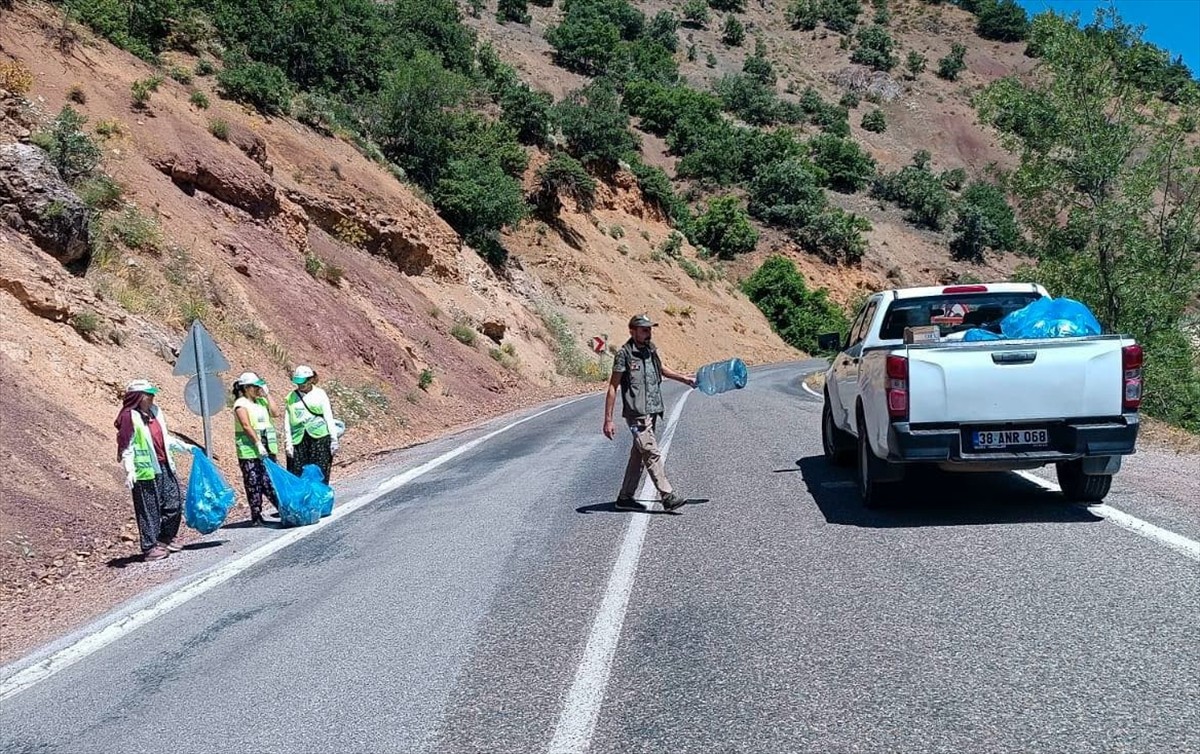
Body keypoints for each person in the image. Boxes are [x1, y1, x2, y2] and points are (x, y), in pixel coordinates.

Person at [603, 314, 695, 512]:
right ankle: (667, 495)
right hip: (636, 413)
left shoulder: (650, 350)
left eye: (649, 329)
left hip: (652, 411)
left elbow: (661, 369)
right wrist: (608, 420)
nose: (648, 333)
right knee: (651, 452)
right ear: (632, 331)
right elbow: (613, 386)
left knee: (639, 454)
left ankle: (625, 498)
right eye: (644, 330)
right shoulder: (624, 354)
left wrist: (684, 379)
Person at [114, 379, 195, 561]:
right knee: (148, 509)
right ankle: (150, 547)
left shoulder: (156, 412)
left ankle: (165, 538)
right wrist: (129, 470)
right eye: (149, 394)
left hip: (163, 465)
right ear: (139, 397)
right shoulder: (129, 417)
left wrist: (186, 447)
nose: (152, 397)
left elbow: (165, 439)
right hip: (144, 471)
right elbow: (126, 445)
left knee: (174, 503)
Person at [231, 371, 280, 525]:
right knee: (253, 481)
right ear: (246, 388)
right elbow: (246, 425)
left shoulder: (261, 402)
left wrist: (268, 395)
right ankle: (256, 515)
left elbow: (275, 412)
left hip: (267, 447)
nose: (257, 389)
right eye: (254, 386)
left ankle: (281, 506)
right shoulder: (241, 404)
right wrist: (257, 443)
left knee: (269, 480)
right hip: (249, 449)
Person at [283, 365, 339, 483]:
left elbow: (328, 416)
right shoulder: (291, 397)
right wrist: (288, 443)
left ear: (310, 379)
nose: (300, 385)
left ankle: (319, 499)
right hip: (299, 440)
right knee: (298, 474)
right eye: (298, 382)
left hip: (319, 438)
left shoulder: (320, 394)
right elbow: (287, 422)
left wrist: (334, 439)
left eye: (303, 382)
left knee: (319, 471)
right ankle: (304, 501)